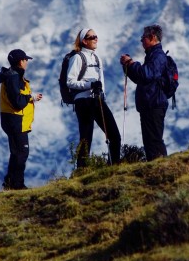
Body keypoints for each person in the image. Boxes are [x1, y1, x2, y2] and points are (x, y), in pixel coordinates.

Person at [67, 28, 121, 167]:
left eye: (96, 36)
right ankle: (81, 171)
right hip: (83, 101)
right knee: (86, 138)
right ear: (84, 40)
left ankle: (114, 167)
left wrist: (100, 92)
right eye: (92, 37)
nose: (96, 39)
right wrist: (90, 84)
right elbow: (70, 82)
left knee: (114, 135)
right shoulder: (77, 58)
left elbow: (101, 82)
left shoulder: (97, 58)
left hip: (97, 100)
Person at [120, 24, 168, 161]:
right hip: (149, 104)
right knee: (150, 141)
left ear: (152, 37)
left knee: (154, 141)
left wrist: (132, 63)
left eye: (143, 38)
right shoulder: (152, 56)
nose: (141, 41)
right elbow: (140, 79)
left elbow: (147, 74)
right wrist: (128, 66)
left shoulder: (158, 56)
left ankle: (162, 169)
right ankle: (157, 168)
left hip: (154, 104)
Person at [0, 49, 42, 190]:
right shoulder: (14, 77)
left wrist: (30, 96)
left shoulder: (11, 75)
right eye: (25, 60)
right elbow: (17, 102)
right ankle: (17, 185)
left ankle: (10, 183)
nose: (26, 62)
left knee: (16, 152)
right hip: (16, 120)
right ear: (20, 61)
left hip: (11, 119)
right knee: (22, 152)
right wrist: (31, 97)